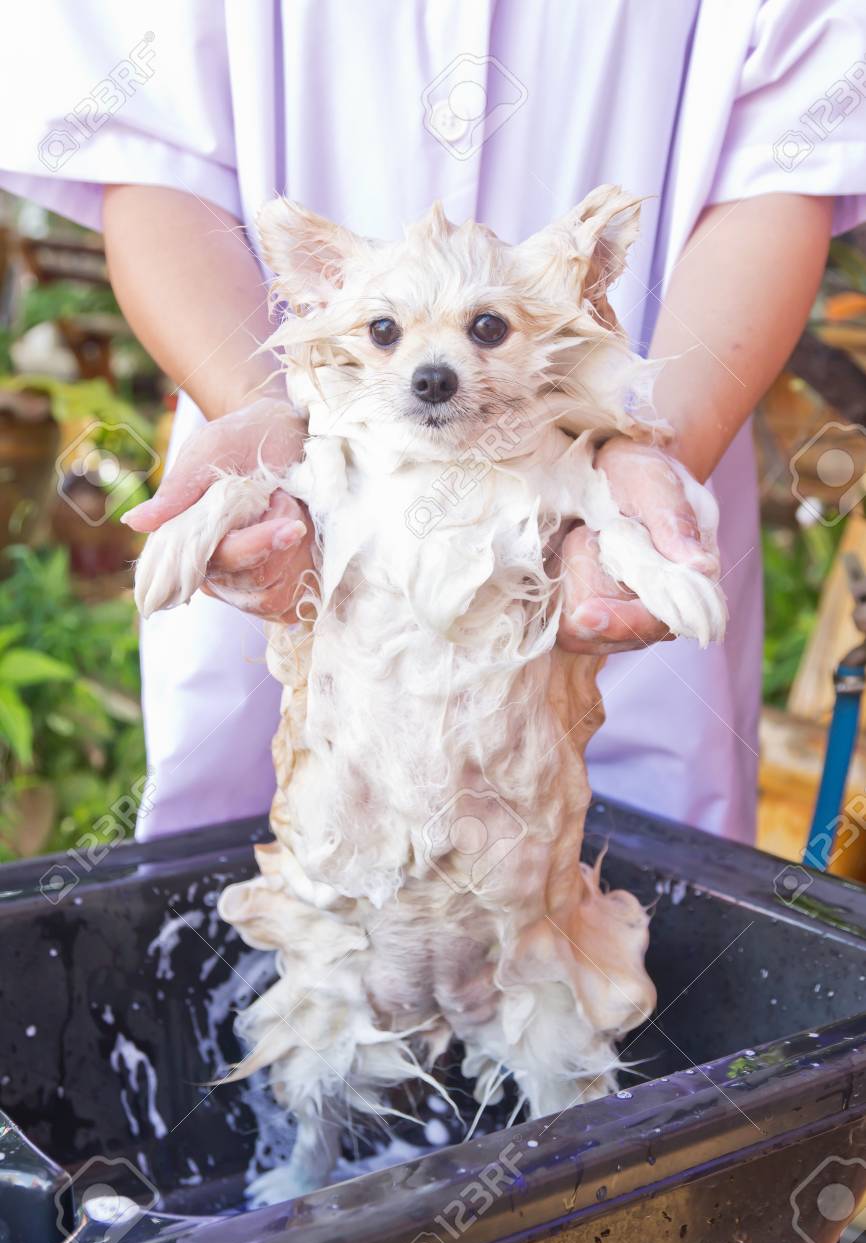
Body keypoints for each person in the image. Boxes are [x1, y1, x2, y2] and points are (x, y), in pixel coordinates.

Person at [1, 1, 864, 844]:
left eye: (486, 331)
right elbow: (151, 153)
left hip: (623, 464)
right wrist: (268, 412)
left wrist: (638, 444)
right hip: (289, 476)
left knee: (599, 910)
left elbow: (784, 164)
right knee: (292, 889)